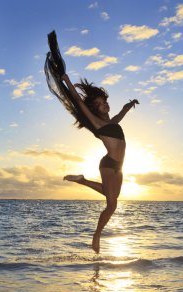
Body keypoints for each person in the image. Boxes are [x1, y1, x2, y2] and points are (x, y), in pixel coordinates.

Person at [45, 30, 139, 253]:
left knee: (112, 197)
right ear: (95, 108)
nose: (104, 105)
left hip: (118, 166)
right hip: (107, 163)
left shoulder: (112, 121)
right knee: (112, 203)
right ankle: (96, 236)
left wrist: (129, 104)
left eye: (105, 102)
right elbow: (78, 101)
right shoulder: (97, 124)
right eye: (99, 104)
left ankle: (82, 181)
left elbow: (121, 114)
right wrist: (66, 80)